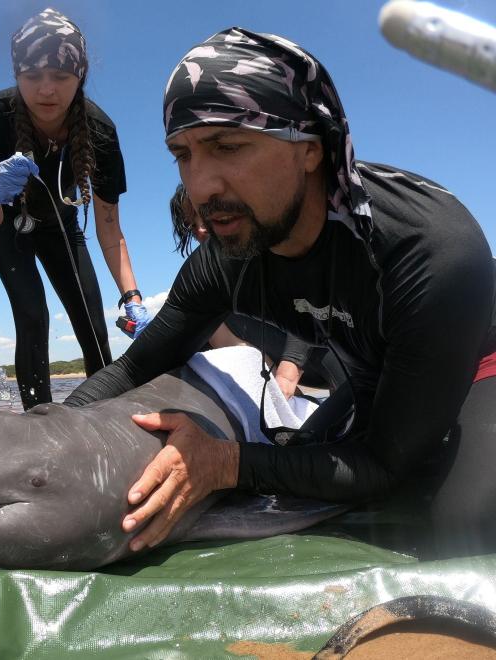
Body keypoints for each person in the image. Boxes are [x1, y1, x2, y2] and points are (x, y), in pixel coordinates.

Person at [65, 28, 496, 557]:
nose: (200, 188)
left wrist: (225, 463)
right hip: (374, 371)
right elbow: (135, 367)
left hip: (481, 361)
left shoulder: (424, 247)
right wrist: (50, 428)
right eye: (183, 154)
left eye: (227, 146)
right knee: (325, 457)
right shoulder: (227, 260)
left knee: (464, 522)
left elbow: (383, 464)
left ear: (309, 150)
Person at [0, 8, 149, 410]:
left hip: (61, 228)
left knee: (91, 321)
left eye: (61, 77)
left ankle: (105, 414)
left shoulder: (100, 131)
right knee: (33, 315)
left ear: (80, 76)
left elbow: (110, 230)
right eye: (32, 77)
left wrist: (132, 297)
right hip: (6, 227)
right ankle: (39, 420)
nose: (46, 90)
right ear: (16, 76)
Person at [170, 184, 345, 395]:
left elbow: (313, 299)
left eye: (206, 216)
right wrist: (277, 394)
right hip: (285, 370)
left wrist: (288, 371)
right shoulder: (208, 281)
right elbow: (240, 350)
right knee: (204, 318)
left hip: (333, 353)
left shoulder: (268, 247)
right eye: (192, 224)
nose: (201, 228)